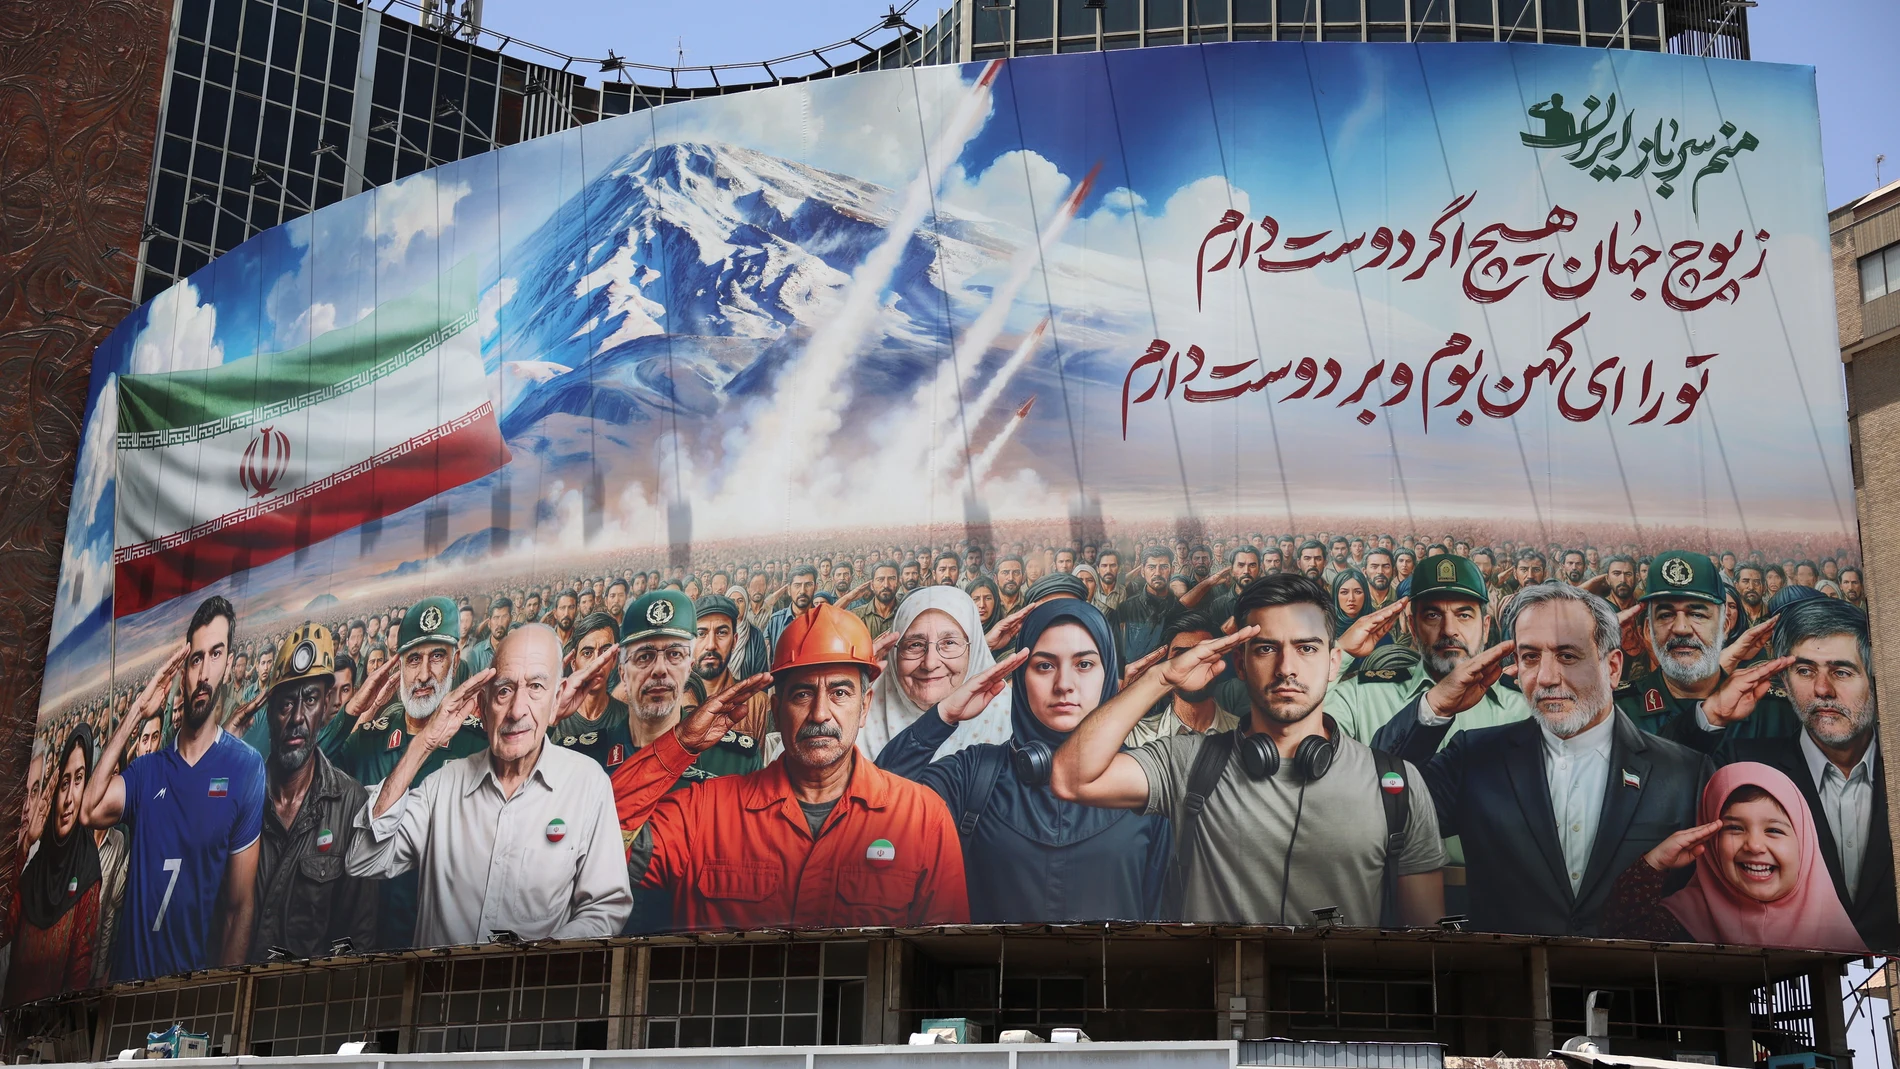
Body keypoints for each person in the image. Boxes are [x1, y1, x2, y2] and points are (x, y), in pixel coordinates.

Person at [1051, 575, 1446, 927]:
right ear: (1239, 663)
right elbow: (1071, 777)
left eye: (1306, 649)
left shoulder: (1397, 785)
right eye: (1265, 649)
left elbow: (1428, 952)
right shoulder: (1188, 762)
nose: (1286, 667)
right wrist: (1161, 678)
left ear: (1333, 662)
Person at [1376, 582, 1707, 937]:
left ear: (1612, 667)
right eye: (1531, 657)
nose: (1546, 678)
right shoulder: (1474, 759)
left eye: (1567, 656)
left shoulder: (1685, 773)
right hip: (1509, 986)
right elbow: (1381, 809)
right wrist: (1436, 707)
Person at [614, 604, 969, 930]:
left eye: (840, 693)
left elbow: (943, 959)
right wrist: (680, 745)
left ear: (864, 707)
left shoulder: (922, 818)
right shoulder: (701, 813)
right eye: (802, 694)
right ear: (775, 708)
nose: (819, 713)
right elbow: (600, 849)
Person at [877, 600, 1173, 922]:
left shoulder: (1145, 783)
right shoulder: (971, 776)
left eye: (1084, 665)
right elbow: (880, 808)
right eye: (1044, 665)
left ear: (1109, 676)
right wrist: (943, 716)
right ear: (1019, 676)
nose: (1064, 685)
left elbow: (1158, 916)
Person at [345, 625, 633, 945]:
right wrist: (423, 743)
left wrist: (529, 964)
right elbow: (363, 858)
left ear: (556, 700)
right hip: (438, 991)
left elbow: (605, 907)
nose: (516, 710)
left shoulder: (587, 784)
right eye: (504, 690)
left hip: (532, 991)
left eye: (536, 687)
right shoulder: (444, 785)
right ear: (482, 706)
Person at [82, 596, 266, 981]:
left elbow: (239, 907)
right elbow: (89, 809)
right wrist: (137, 711)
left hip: (190, 998)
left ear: (229, 664)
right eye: (196, 658)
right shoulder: (147, 771)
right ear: (183, 672)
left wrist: (219, 997)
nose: (204, 673)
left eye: (216, 654)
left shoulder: (246, 767)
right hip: (126, 991)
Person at [1603, 763, 1865, 953]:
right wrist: (1655, 863)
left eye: (1774, 830)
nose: (1754, 845)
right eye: (1734, 828)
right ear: (1712, 841)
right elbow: (1622, 947)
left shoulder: (1835, 931)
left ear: (1805, 844)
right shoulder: (1687, 917)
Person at [250, 623, 377, 961]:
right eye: (287, 703)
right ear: (271, 711)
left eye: (310, 700)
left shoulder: (350, 805)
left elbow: (356, 939)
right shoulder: (244, 798)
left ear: (324, 710)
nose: (297, 717)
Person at [857, 586, 1013, 761]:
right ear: (894, 655)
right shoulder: (858, 716)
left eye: (949, 643)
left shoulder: (1009, 717)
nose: (930, 663)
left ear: (973, 651)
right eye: (914, 645)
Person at [5, 725, 102, 1003]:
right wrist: (23, 848)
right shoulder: (36, 867)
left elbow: (78, 977)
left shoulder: (87, 873)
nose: (69, 798)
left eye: (79, 779)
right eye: (64, 782)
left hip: (49, 1035)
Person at [1123, 610, 1240, 748]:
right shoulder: (1136, 735)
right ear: (1164, 663)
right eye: (1181, 656)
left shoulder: (1242, 732)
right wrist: (1127, 697)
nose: (1191, 664)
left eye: (1203, 655)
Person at [548, 612, 636, 770]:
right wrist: (551, 720)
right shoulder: (554, 718)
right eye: (587, 653)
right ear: (574, 664)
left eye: (604, 652)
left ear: (614, 659)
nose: (596, 662)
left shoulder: (628, 719)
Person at [689, 594, 774, 743]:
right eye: (701, 633)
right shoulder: (672, 702)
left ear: (734, 641)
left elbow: (758, 763)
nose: (711, 645)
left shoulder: (757, 704)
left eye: (721, 633)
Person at [461, 597, 513, 676]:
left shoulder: (516, 650)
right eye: (496, 618)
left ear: (510, 619)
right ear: (489, 622)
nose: (499, 623)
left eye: (504, 617)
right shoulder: (476, 653)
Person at [852, 562, 902, 641]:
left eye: (891, 579)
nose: (886, 585)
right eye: (880, 579)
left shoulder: (907, 614)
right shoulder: (857, 616)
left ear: (898, 583)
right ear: (872, 585)